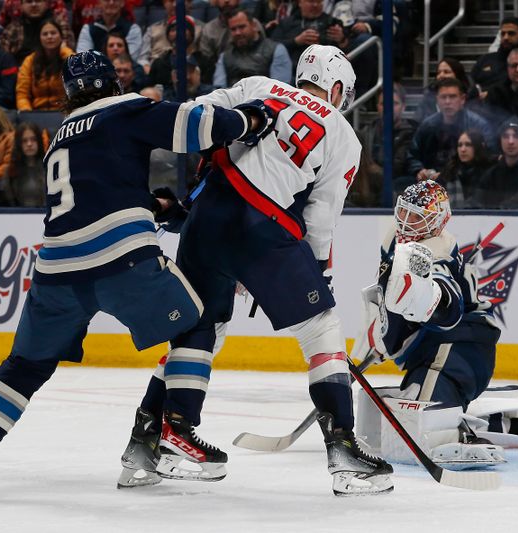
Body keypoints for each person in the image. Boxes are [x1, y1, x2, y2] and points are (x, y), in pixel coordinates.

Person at [0, 49, 276, 497]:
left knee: (24, 366)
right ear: (113, 82)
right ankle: (177, 428)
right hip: (122, 261)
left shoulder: (60, 135)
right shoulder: (123, 108)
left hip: (56, 272)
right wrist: (250, 120)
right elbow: (199, 126)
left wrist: (153, 208)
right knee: (202, 321)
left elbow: (95, 196)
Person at [121, 44, 394, 496]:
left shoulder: (257, 86)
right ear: (337, 86)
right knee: (321, 328)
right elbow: (320, 221)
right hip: (261, 227)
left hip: (205, 217)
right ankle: (344, 450)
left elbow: (194, 118)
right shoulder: (343, 134)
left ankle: (149, 439)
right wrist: (317, 274)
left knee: (201, 328)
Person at [356, 180, 518, 464]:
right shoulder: (395, 240)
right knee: (389, 422)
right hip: (432, 353)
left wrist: (428, 296)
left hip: (459, 350)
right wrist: (382, 335)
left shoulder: (436, 254)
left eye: (416, 216)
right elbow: (387, 296)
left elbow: (447, 308)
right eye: (403, 212)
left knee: (418, 426)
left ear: (437, 220)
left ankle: (476, 432)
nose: (406, 222)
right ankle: (513, 426)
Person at [406, 78, 493, 184]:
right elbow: (412, 154)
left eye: (452, 97)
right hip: (431, 183)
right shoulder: (428, 125)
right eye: (443, 97)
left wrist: (448, 174)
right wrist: (419, 170)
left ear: (462, 99)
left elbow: (486, 158)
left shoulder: (479, 125)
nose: (447, 102)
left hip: (467, 182)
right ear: (437, 100)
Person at [466, 121, 518, 209]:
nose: (510, 141)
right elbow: (475, 201)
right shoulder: (493, 173)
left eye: (516, 136)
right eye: (505, 136)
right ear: (500, 141)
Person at [213, 8, 292, 88]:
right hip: (233, 98)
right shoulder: (225, 56)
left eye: (242, 27)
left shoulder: (276, 50)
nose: (238, 32)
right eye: (233, 29)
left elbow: (280, 89)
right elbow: (218, 90)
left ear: (254, 26)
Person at [16, 19, 75, 111]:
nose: (49, 37)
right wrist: (26, 112)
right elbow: (22, 93)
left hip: (65, 112)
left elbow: (79, 81)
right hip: (37, 114)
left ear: (61, 37)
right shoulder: (30, 61)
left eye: (53, 33)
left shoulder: (68, 56)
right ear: (39, 38)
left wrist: (64, 51)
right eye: (45, 34)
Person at [1, 0, 76, 64]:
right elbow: (4, 59)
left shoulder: (60, 25)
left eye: (38, 1)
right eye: (29, 1)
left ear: (46, 3)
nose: (34, 5)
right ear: (21, 6)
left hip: (55, 71)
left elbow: (68, 54)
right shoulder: (12, 28)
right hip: (19, 73)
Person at [436, 129, 495, 209]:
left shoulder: (490, 172)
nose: (463, 150)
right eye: (460, 145)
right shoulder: (449, 172)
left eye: (468, 145)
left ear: (478, 147)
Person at [472, 17, 518, 100]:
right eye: (503, 34)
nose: (506, 37)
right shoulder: (485, 59)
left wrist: (491, 95)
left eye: (511, 33)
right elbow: (473, 84)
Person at [76, 0, 141, 59]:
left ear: (122, 3)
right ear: (99, 3)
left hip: (122, 70)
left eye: (115, 0)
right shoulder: (88, 29)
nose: (111, 2)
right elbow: (83, 59)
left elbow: (130, 60)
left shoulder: (132, 29)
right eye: (106, 0)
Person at [3, 122, 47, 207]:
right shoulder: (11, 171)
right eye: (24, 141)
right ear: (19, 144)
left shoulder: (50, 168)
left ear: (39, 142)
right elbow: (10, 202)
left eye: (33, 139)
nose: (29, 144)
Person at [418, 58, 468, 122]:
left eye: (446, 72)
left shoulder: (470, 97)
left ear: (457, 75)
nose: (441, 75)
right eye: (439, 72)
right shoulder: (428, 97)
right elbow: (416, 123)